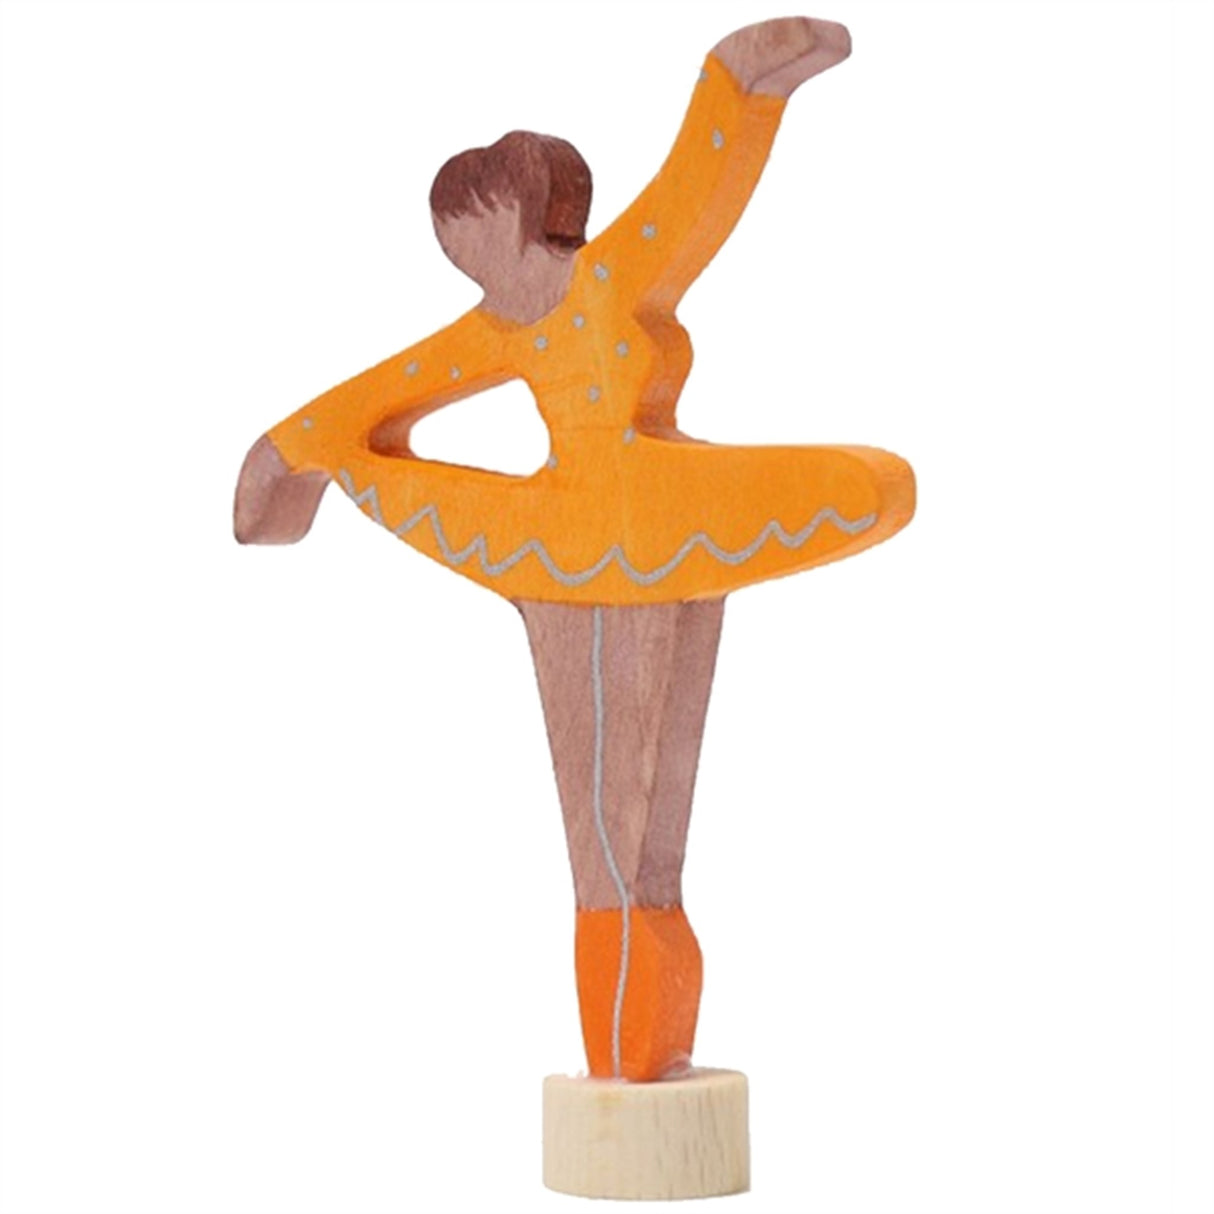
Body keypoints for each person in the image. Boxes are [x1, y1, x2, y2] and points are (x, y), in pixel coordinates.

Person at [234, 17, 914, 1081]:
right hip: (558, 546)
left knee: (639, 836)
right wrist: (284, 456)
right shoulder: (488, 333)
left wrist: (736, 84)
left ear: (523, 224)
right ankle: (625, 1034)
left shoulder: (607, 277)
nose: (471, 267)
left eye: (475, 240)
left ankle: (635, 1028)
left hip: (645, 518)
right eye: (454, 253)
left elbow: (692, 190)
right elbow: (372, 398)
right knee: (609, 840)